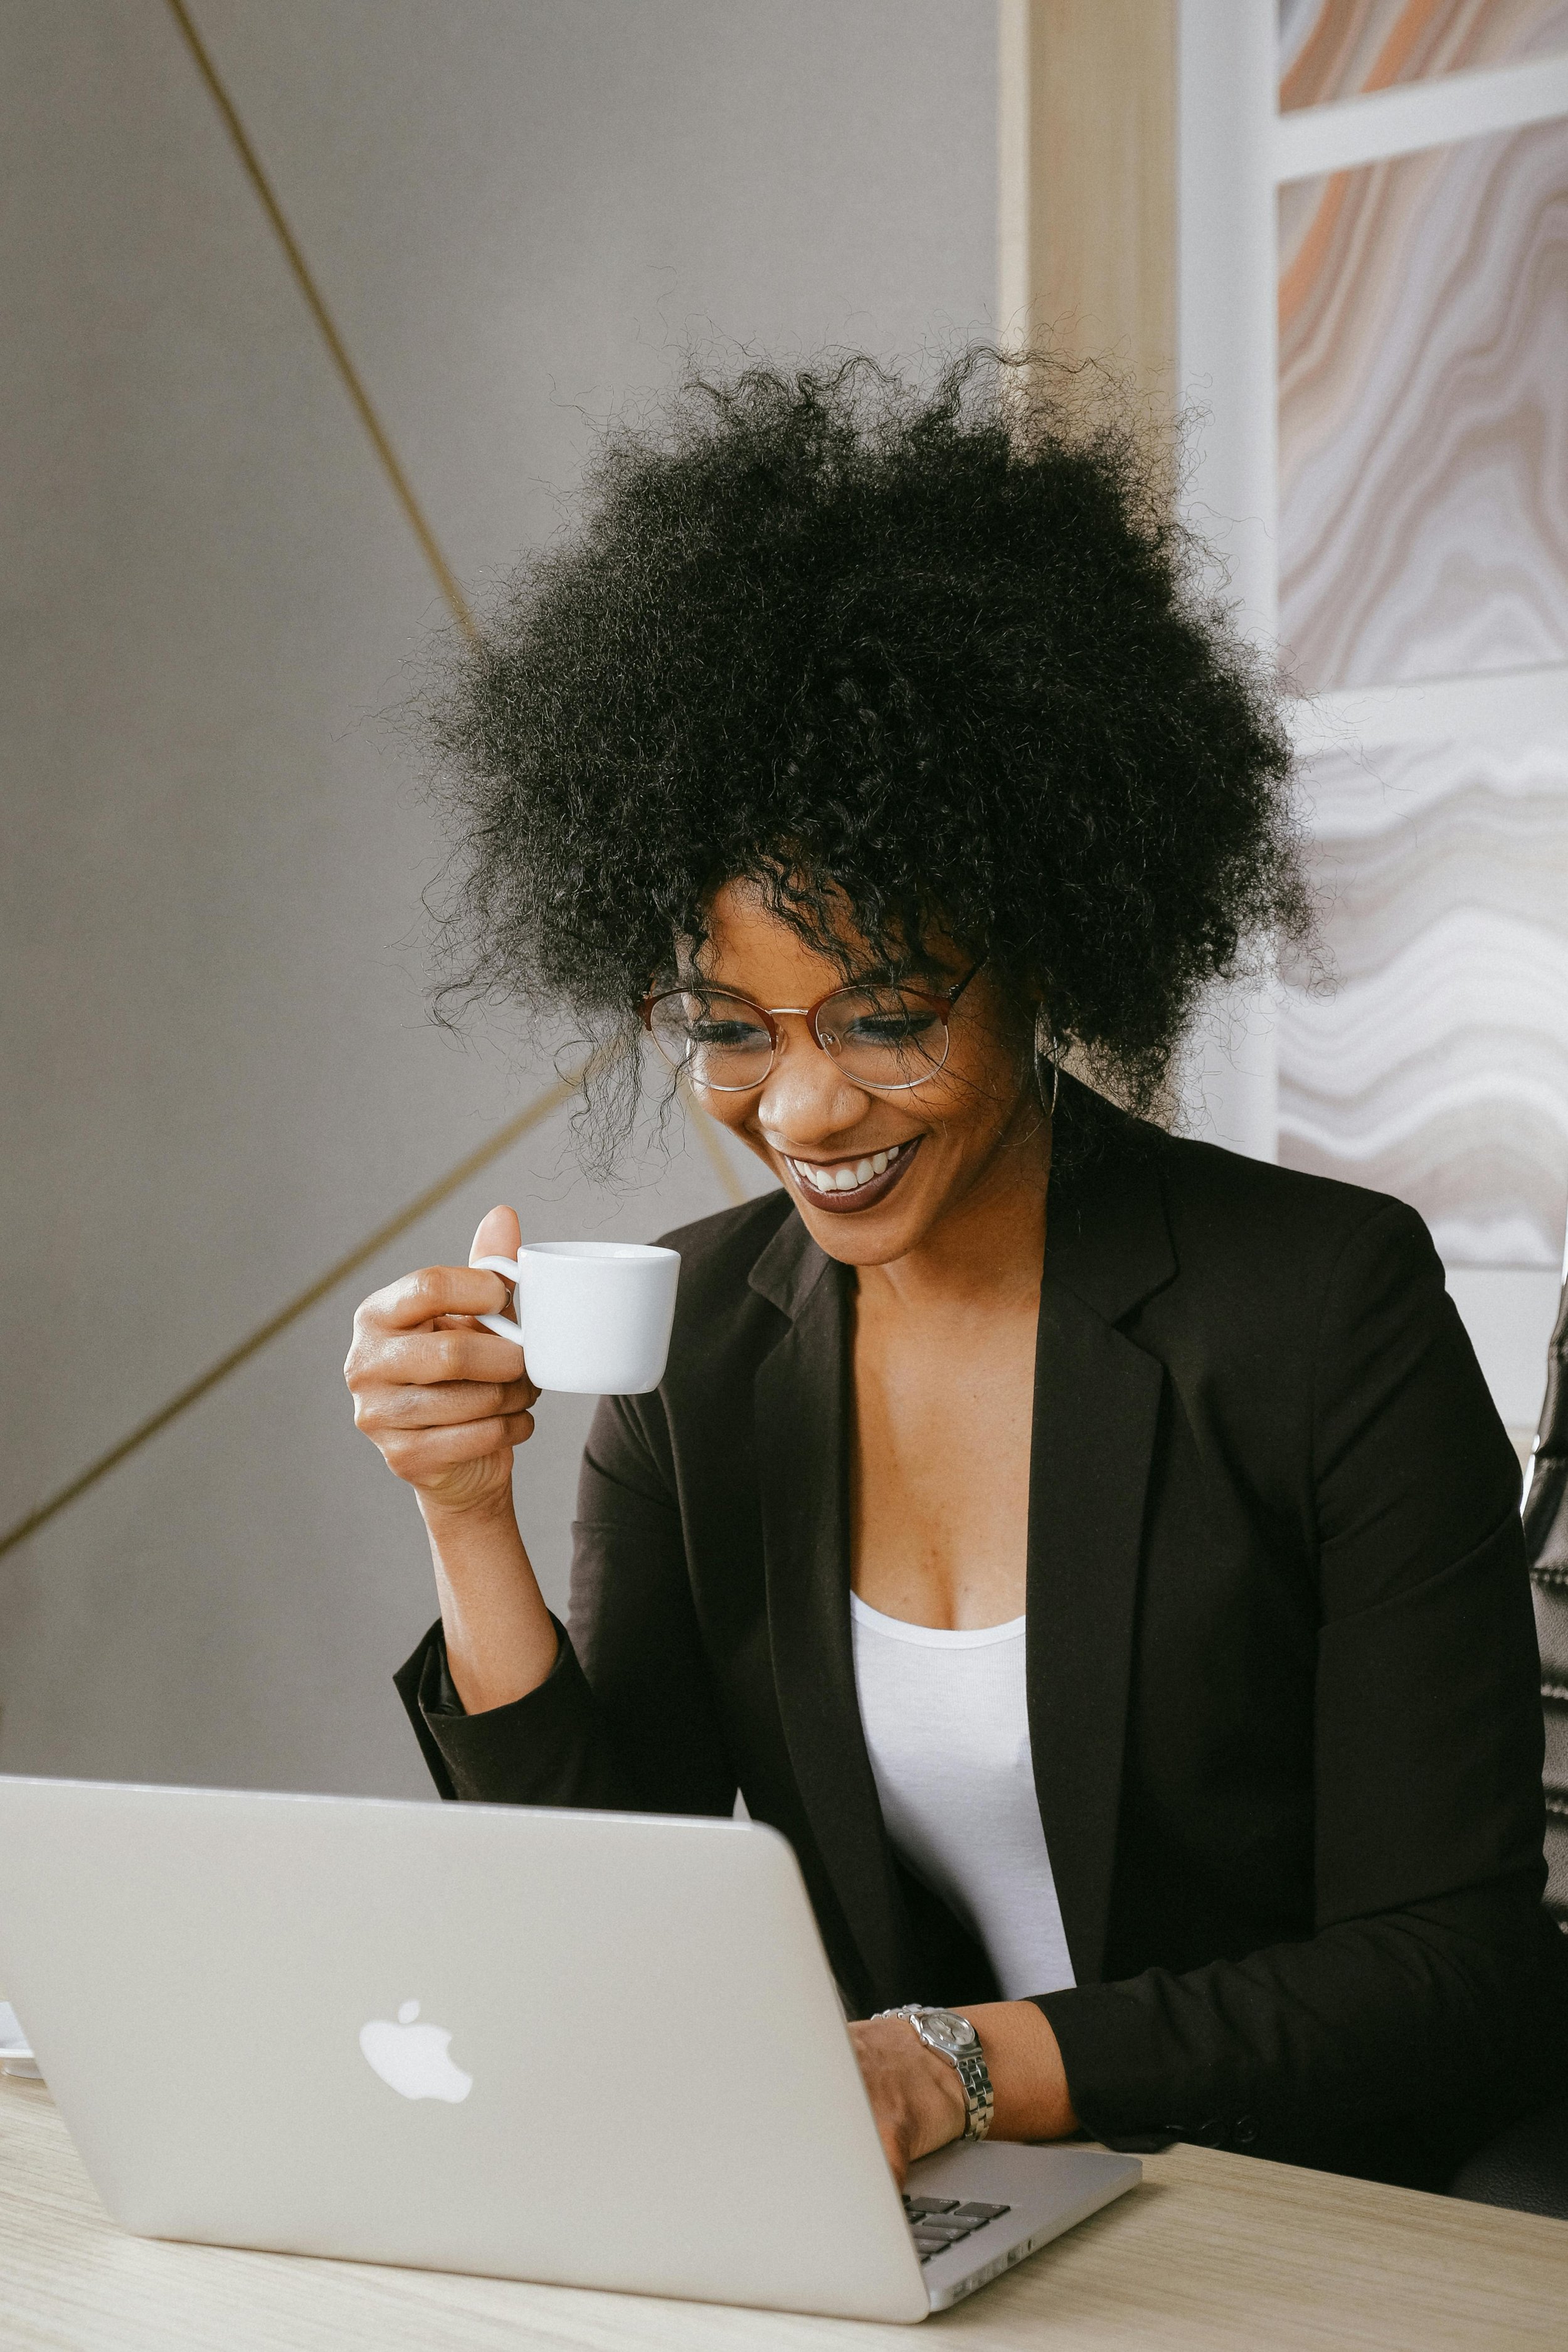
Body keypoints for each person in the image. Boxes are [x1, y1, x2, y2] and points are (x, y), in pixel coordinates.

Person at [345, 352, 1567, 2191]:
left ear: (1046, 953)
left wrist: (956, 2066)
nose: (803, 1103)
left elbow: (1451, 1970)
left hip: (1302, 2199)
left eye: (888, 1015)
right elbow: (627, 1898)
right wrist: (463, 1515)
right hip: (934, 2218)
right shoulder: (707, 1346)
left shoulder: (1318, 1305)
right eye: (728, 1028)